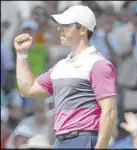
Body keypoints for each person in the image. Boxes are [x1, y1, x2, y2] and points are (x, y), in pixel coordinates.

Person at [14, 5, 117, 149]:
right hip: (60, 140)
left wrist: (100, 147)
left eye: (66, 25)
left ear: (83, 29)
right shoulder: (60, 66)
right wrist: (22, 53)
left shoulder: (99, 64)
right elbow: (28, 89)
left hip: (85, 138)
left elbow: (110, 111)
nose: (59, 28)